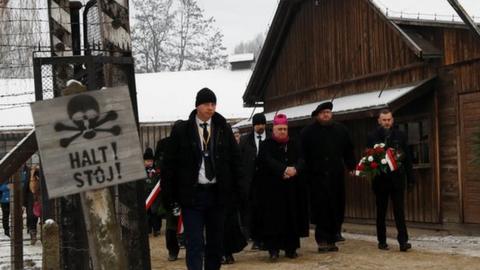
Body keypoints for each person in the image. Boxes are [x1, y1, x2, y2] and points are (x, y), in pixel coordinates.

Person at [161, 87, 243, 270]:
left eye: (213, 104)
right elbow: (169, 165)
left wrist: (237, 192)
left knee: (215, 243)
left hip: (217, 194)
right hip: (193, 195)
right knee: (195, 242)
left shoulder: (223, 128)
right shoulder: (182, 130)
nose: (210, 108)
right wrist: (170, 196)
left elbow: (235, 161)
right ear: (197, 106)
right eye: (206, 104)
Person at [300, 101, 356, 252]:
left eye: (328, 112)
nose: (326, 115)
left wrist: (351, 165)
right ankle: (322, 240)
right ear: (318, 115)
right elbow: (302, 155)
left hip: (335, 176)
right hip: (316, 177)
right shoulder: (307, 132)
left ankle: (333, 237)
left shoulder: (341, 130)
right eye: (323, 112)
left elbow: (348, 150)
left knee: (336, 207)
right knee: (321, 209)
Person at [255, 113, 309, 261]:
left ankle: (291, 249)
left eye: (285, 129)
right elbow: (266, 161)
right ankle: (273, 250)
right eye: (280, 129)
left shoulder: (294, 143)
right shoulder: (266, 144)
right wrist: (283, 170)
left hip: (292, 188)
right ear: (273, 129)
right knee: (273, 220)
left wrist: (295, 169)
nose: (283, 132)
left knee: (292, 218)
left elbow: (302, 159)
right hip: (273, 190)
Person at [367, 109, 414, 252]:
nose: (387, 122)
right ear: (379, 121)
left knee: (399, 211)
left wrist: (410, 177)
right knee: (381, 211)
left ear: (392, 120)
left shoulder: (400, 135)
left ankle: (403, 241)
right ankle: (382, 241)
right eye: (384, 120)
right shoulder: (372, 136)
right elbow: (369, 158)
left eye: (389, 120)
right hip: (380, 180)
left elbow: (407, 158)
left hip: (397, 179)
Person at [238, 113, 268, 250]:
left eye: (262, 124)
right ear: (253, 125)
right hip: (250, 183)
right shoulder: (245, 140)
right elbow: (239, 161)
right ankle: (256, 239)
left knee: (267, 211)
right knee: (252, 211)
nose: (260, 126)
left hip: (267, 182)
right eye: (257, 124)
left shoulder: (270, 139)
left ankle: (267, 238)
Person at [154, 137, 181, 261]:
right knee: (171, 225)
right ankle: (172, 250)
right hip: (171, 192)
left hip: (188, 192)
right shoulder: (164, 147)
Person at [144, 147, 164, 237]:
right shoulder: (142, 171)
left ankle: (156, 229)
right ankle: (147, 229)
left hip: (155, 194)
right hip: (146, 194)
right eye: (147, 161)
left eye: (151, 161)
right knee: (146, 212)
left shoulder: (157, 170)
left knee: (155, 212)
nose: (149, 163)